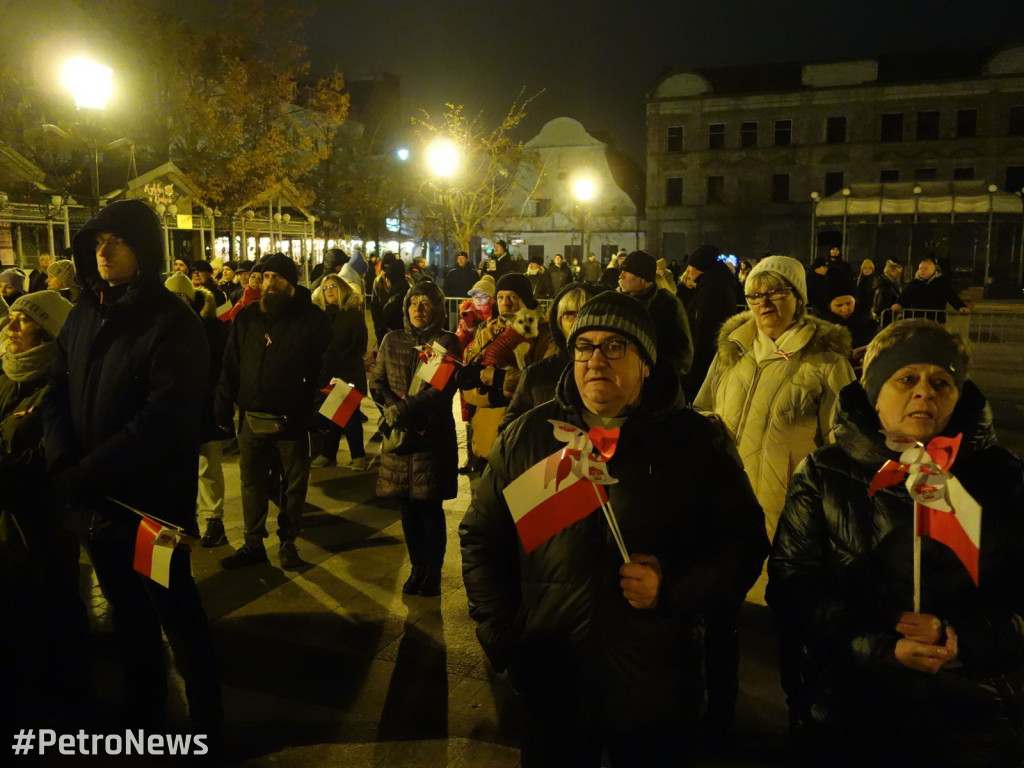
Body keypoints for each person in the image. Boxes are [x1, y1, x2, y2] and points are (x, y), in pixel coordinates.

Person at [461, 291, 768, 768]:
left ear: (646, 363)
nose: (595, 359)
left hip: (657, 686)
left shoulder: (696, 441)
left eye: (615, 346)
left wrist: (672, 588)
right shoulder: (528, 436)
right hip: (553, 681)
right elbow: (483, 538)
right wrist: (501, 636)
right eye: (584, 346)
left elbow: (743, 544)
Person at [768, 319, 1024, 767]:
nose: (925, 392)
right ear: (874, 392)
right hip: (848, 709)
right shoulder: (824, 473)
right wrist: (882, 646)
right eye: (907, 378)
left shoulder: (1002, 475)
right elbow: (793, 586)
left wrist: (962, 640)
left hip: (973, 719)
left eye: (941, 381)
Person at [41, 198, 221, 733]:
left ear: (144, 248)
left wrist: (87, 469)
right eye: (97, 242)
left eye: (116, 241)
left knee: (175, 608)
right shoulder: (82, 314)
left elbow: (162, 418)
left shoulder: (172, 321)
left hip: (152, 507)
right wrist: (63, 456)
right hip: (95, 502)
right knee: (125, 608)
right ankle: (145, 703)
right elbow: (56, 389)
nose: (104, 252)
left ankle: (207, 716)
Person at [693, 255, 855, 733]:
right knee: (718, 617)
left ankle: (802, 719)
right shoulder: (734, 350)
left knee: (792, 628)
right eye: (755, 295)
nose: (764, 303)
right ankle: (718, 712)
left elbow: (844, 447)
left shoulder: (827, 362)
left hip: (790, 515)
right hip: (726, 511)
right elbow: (702, 411)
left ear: (799, 298)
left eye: (775, 292)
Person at [0, 291, 89, 728]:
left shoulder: (63, 383)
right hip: (8, 515)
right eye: (11, 319)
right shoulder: (7, 375)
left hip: (45, 515)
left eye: (22, 321)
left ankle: (68, 689)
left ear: (50, 332)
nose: (10, 328)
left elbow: (51, 456)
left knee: (53, 593)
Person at [216, 253, 330, 570]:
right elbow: (231, 365)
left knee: (293, 486)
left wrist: (315, 417)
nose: (269, 283)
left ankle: (288, 543)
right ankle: (253, 543)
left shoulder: (313, 320)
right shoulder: (248, 317)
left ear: (291, 282)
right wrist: (222, 408)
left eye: (276, 277)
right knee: (252, 483)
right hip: (252, 419)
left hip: (294, 421)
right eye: (265, 277)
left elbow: (327, 372)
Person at [370, 282, 461, 597]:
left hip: (430, 440)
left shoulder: (445, 343)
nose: (419, 309)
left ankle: (433, 571)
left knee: (428, 507)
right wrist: (389, 407)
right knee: (406, 508)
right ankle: (416, 565)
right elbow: (377, 380)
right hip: (399, 440)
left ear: (436, 308)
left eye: (425, 303)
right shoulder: (391, 340)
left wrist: (401, 409)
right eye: (413, 303)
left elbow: (439, 391)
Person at [460, 273, 551, 464]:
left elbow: (544, 380)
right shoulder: (488, 332)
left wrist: (501, 379)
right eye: (501, 297)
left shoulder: (544, 332)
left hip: (527, 438)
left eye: (513, 297)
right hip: (489, 435)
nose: (506, 303)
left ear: (526, 299)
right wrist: (494, 395)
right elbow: (469, 388)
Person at [498, 281, 605, 432]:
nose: (579, 321)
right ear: (559, 321)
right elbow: (509, 431)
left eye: (586, 313)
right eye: (570, 315)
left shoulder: (611, 367)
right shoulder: (536, 374)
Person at [311, 274, 369, 470]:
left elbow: (358, 346)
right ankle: (329, 454)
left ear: (343, 289)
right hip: (327, 373)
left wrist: (339, 364)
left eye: (333, 287)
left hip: (348, 373)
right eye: (325, 288)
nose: (329, 291)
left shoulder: (353, 314)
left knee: (349, 413)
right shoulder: (322, 316)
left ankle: (358, 455)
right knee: (336, 414)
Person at [617, 250, 694, 382]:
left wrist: (665, 377)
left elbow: (683, 352)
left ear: (642, 278)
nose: (621, 276)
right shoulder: (618, 301)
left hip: (658, 384)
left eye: (626, 272)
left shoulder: (669, 304)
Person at [680, 244, 737, 402]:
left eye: (692, 265)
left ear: (701, 267)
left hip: (704, 361)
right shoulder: (716, 285)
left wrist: (692, 368)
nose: (689, 270)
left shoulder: (711, 291)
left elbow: (703, 329)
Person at [895, 257, 969, 321]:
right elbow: (905, 296)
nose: (922, 270)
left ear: (933, 270)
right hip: (917, 318)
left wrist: (960, 307)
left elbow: (951, 296)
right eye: (920, 268)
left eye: (925, 268)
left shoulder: (941, 282)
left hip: (936, 319)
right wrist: (899, 304)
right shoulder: (914, 283)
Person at [824, 270, 878, 350]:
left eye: (849, 303)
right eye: (839, 305)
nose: (845, 309)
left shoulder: (869, 327)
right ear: (829, 306)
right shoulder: (821, 328)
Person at [872, 259, 903, 326]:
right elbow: (882, 302)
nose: (900, 274)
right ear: (890, 271)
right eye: (898, 272)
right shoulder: (886, 285)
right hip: (886, 316)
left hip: (887, 315)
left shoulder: (889, 283)